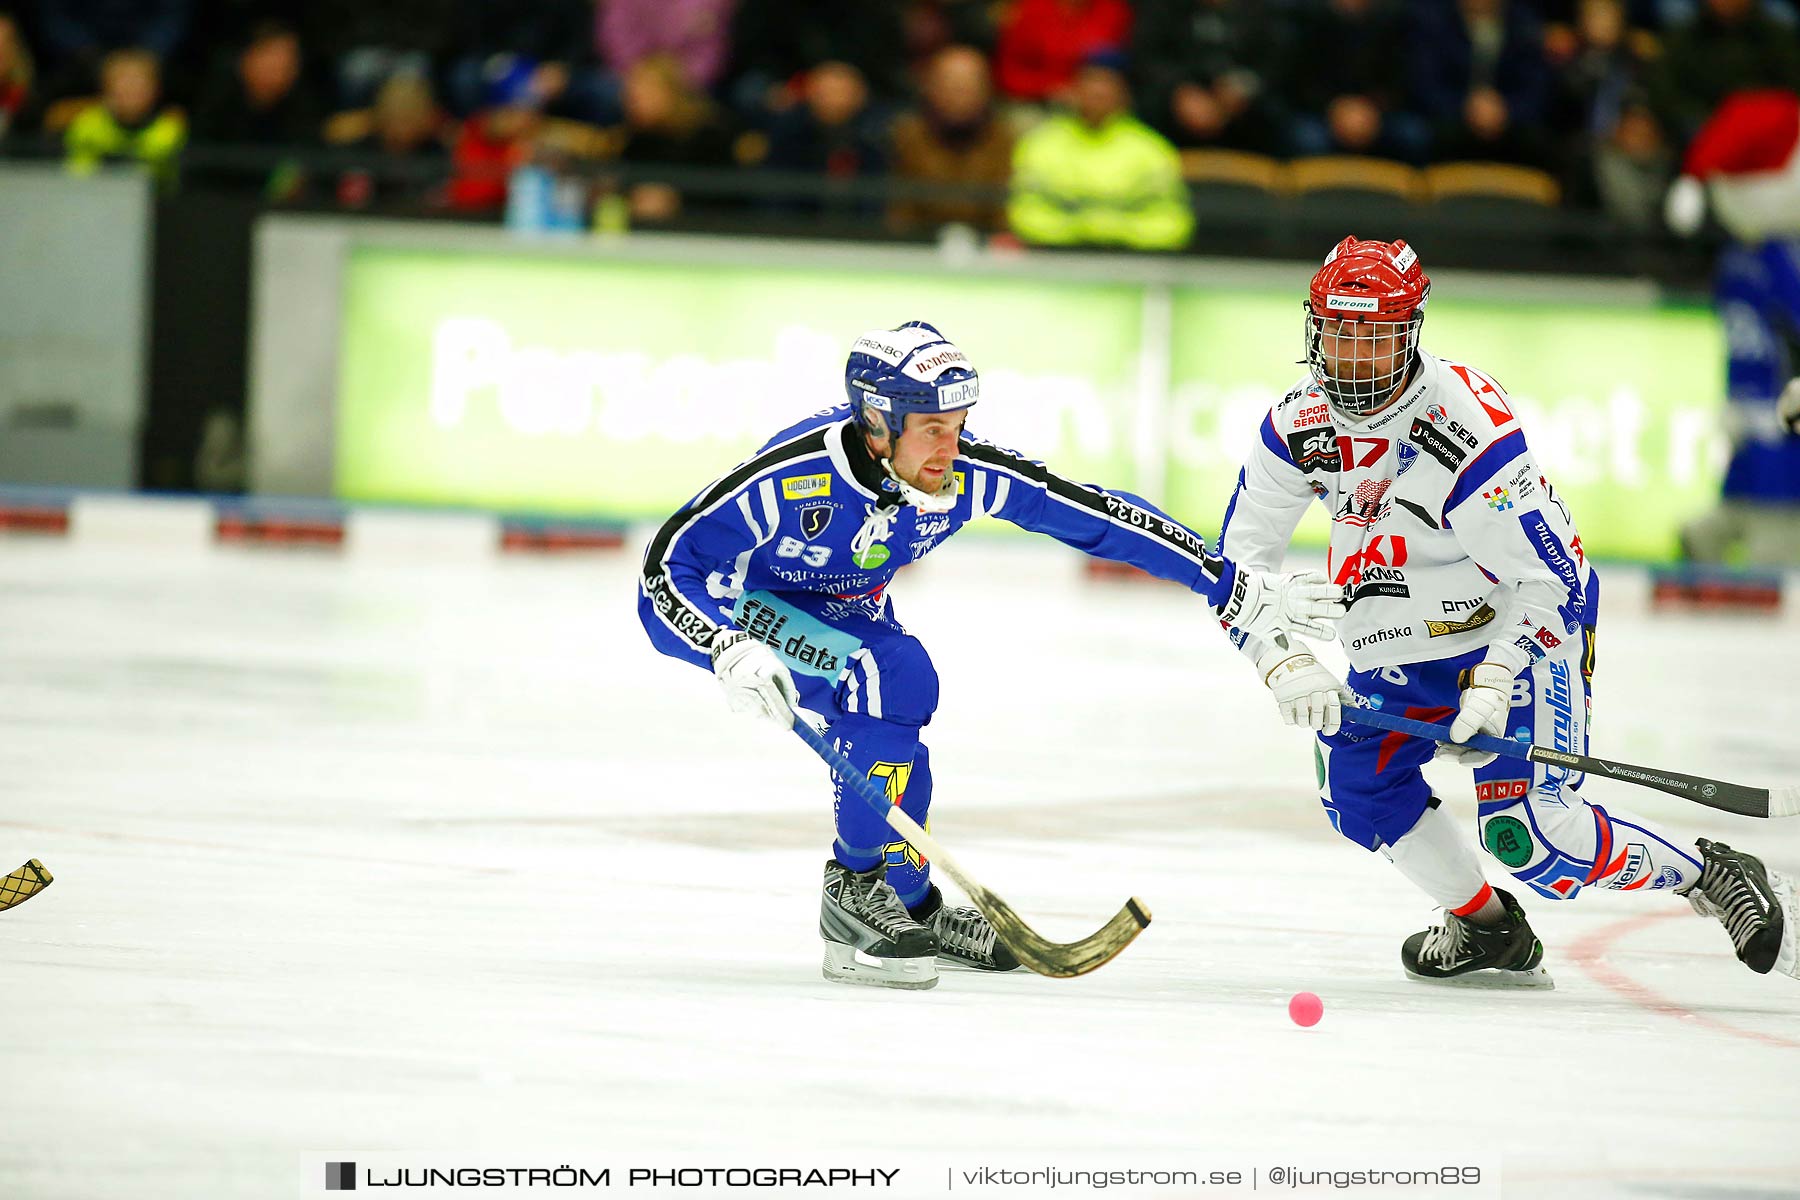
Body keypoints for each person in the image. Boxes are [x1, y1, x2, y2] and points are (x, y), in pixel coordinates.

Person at [637, 321, 1345, 990]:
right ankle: (853, 891)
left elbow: (1094, 516)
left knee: (899, 712)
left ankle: (910, 904)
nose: (953, 448)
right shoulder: (792, 478)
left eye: (960, 425)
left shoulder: (964, 474)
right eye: (934, 430)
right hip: (743, 613)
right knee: (890, 676)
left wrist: (1229, 584)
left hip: (850, 616)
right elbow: (664, 570)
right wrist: (724, 647)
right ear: (876, 424)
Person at [1216, 236, 1798, 986]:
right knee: (1358, 791)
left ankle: (1706, 874)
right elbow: (1236, 568)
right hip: (1395, 642)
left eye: (1377, 335)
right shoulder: (1296, 422)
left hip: (1514, 628)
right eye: (1339, 332)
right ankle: (1485, 929)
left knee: (1532, 838)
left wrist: (1493, 682)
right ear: (1313, 329)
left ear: (1414, 330)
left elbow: (1548, 580)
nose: (1354, 358)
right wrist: (1281, 658)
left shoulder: (1464, 426)